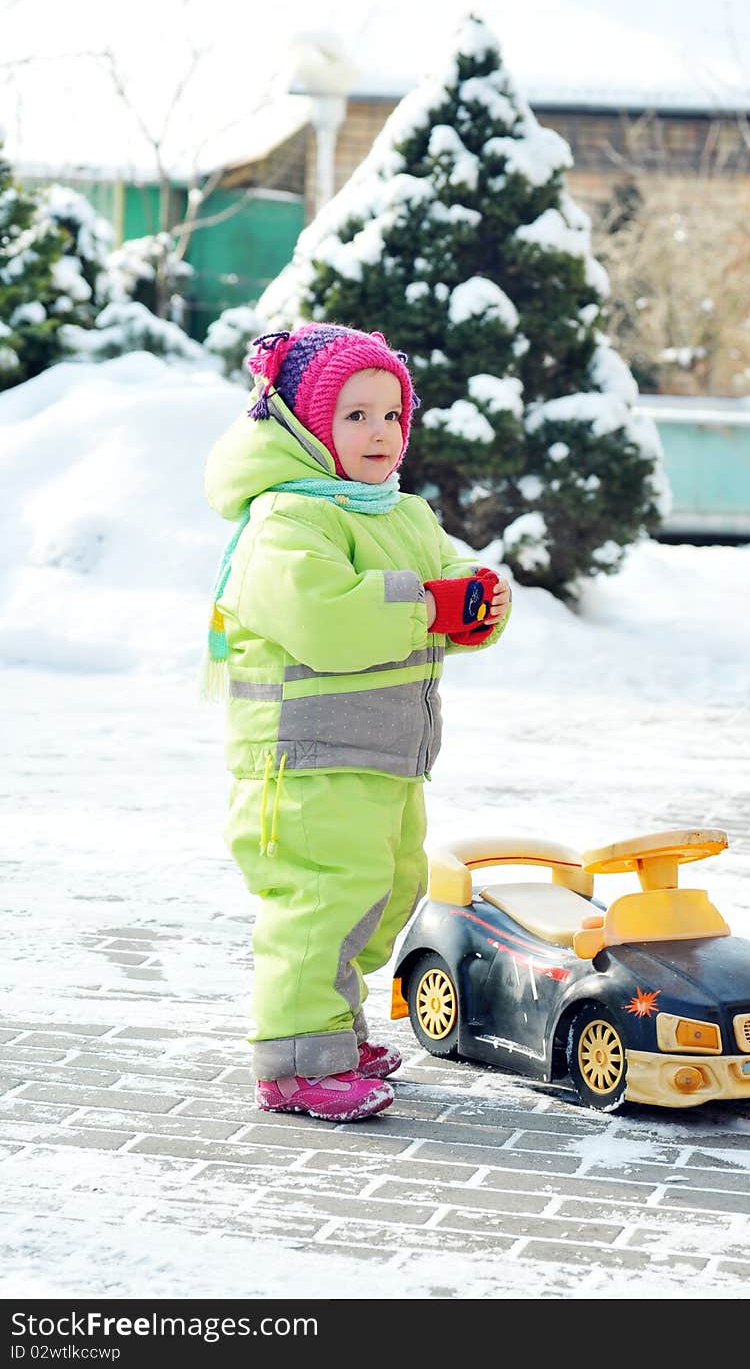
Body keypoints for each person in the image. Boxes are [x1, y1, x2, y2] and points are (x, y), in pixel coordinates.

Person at [203, 322, 511, 1122]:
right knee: (323, 903)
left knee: (389, 889)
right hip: (303, 761)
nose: (379, 433)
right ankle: (298, 1061)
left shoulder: (401, 513)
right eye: (354, 416)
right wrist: (434, 608)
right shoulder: (288, 520)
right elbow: (325, 620)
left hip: (386, 755)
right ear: (306, 427)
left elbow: (448, 582)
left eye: (391, 415)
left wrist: (478, 603)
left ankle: (332, 1026)